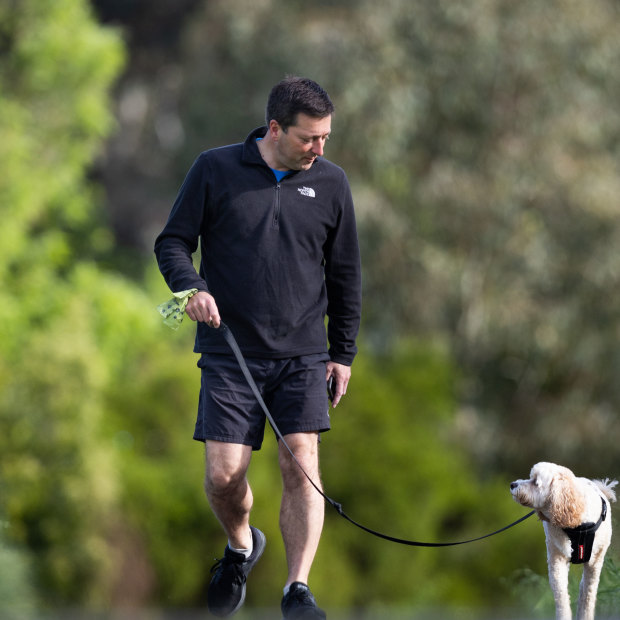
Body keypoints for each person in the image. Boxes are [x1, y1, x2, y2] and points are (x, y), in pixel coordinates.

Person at [154, 76, 362, 619]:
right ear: (275, 129)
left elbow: (345, 276)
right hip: (229, 355)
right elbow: (173, 241)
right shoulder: (214, 169)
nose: (320, 150)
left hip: (302, 356)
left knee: (303, 466)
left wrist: (342, 353)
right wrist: (190, 287)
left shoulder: (333, 184)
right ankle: (242, 545)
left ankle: (297, 590)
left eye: (326, 138)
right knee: (223, 477)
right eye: (309, 139)